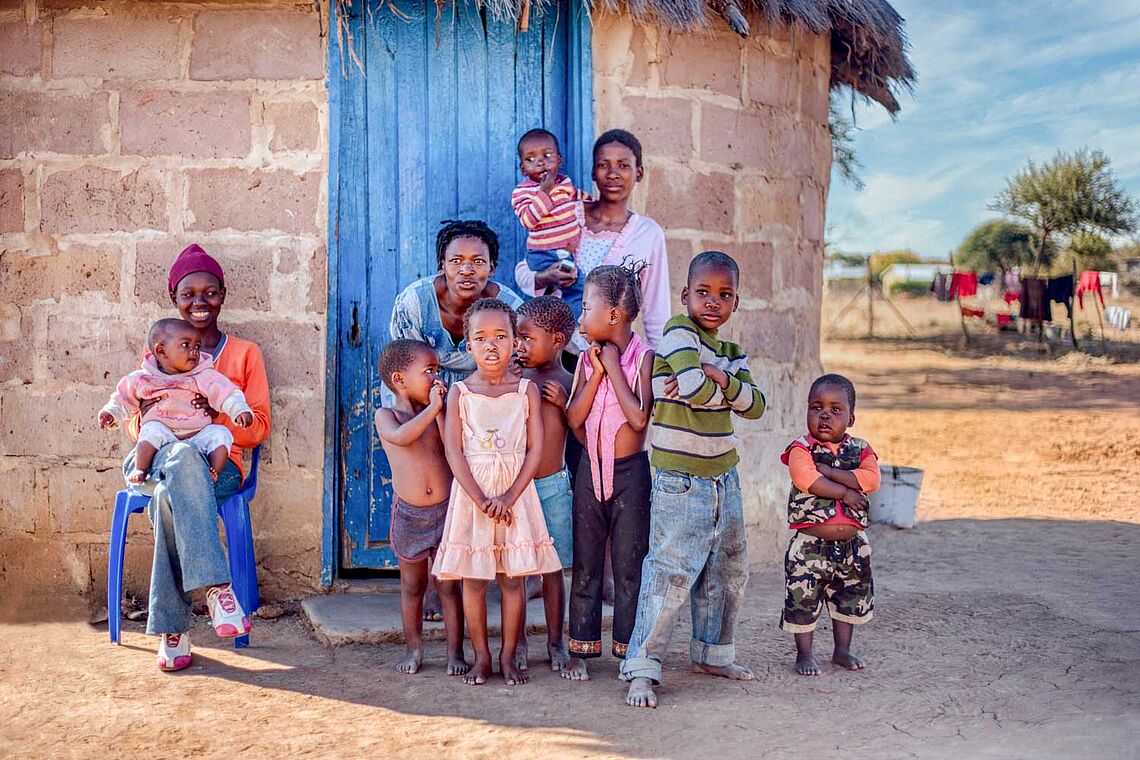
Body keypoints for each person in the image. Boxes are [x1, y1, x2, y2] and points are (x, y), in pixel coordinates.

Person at [621, 251, 766, 708]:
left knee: (727, 571)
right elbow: (692, 389)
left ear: (736, 302)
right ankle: (642, 669)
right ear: (685, 295)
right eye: (702, 292)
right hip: (680, 478)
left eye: (724, 295)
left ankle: (712, 653)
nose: (712, 302)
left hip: (725, 476)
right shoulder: (678, 332)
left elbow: (757, 406)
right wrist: (723, 387)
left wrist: (718, 377)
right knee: (670, 573)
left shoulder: (731, 352)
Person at [120, 243, 271, 671]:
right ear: (174, 299)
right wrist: (159, 418)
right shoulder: (157, 354)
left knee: (174, 494)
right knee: (179, 460)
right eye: (188, 294)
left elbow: (258, 425)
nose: (199, 302)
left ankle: (174, 630)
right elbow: (135, 423)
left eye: (210, 293)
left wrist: (214, 414)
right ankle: (218, 592)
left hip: (218, 464)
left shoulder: (245, 354)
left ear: (223, 295)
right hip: (153, 462)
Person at [389, 219, 524, 620]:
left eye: (478, 261)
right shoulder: (414, 302)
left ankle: (477, 575)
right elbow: (400, 365)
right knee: (434, 489)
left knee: (471, 486)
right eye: (457, 261)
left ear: (493, 267)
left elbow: (520, 363)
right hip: (424, 405)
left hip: (480, 407)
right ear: (441, 265)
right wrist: (413, 420)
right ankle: (435, 580)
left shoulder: (508, 308)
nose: (467, 270)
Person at [431, 298, 562, 686]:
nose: (492, 346)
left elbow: (534, 449)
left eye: (501, 336)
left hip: (515, 496)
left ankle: (508, 657)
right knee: (473, 579)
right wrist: (480, 499)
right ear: (467, 345)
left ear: (514, 342)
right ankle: (481, 658)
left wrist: (508, 497)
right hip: (473, 498)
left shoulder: (525, 390)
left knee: (512, 579)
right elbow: (453, 451)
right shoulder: (460, 394)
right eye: (481, 338)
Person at [563, 264, 655, 681]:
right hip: (588, 471)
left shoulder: (644, 359)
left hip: (629, 476)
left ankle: (629, 650)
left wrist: (614, 368)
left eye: (586, 308)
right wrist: (597, 370)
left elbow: (638, 419)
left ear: (614, 316)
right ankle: (581, 650)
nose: (580, 319)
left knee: (628, 565)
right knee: (585, 563)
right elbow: (574, 419)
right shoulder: (586, 360)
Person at [514, 129, 670, 350]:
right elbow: (523, 270)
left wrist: (660, 368)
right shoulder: (567, 211)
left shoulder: (648, 234)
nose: (613, 173)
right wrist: (545, 277)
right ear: (593, 173)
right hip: (556, 349)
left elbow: (657, 311)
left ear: (639, 172)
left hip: (610, 356)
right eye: (603, 165)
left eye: (623, 165)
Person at [374, 339, 467, 677]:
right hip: (410, 516)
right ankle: (414, 649)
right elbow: (402, 437)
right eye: (429, 371)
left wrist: (440, 412)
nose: (435, 377)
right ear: (399, 379)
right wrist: (431, 410)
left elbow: (449, 445)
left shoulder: (437, 413)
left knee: (448, 586)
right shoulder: (386, 416)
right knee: (413, 586)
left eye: (436, 371)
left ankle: (455, 653)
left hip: (445, 512)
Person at [779, 373, 880, 676]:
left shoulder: (861, 449)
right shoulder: (801, 448)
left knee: (850, 595)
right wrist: (847, 492)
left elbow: (872, 479)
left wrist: (832, 473)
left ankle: (842, 650)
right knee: (803, 597)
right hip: (810, 545)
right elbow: (806, 478)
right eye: (816, 407)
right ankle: (804, 654)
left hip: (853, 546)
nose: (825, 415)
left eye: (836, 410)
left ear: (851, 418)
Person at [100, 318, 253, 484]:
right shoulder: (143, 379)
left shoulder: (204, 375)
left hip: (198, 437)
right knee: (150, 430)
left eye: (197, 346)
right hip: (163, 442)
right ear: (161, 351)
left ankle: (213, 472)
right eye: (186, 345)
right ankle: (141, 470)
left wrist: (239, 410)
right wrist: (111, 413)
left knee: (221, 434)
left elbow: (227, 392)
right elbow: (122, 399)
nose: (194, 351)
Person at [513, 296, 577, 672]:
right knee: (519, 571)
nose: (518, 346)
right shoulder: (515, 380)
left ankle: (556, 642)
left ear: (556, 341)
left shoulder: (567, 382)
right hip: (518, 489)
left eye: (526, 338)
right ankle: (517, 641)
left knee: (553, 570)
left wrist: (567, 404)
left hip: (553, 486)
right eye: (517, 338)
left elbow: (584, 431)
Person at [512, 129, 589, 319]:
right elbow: (528, 220)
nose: (540, 162)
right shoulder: (523, 192)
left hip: (566, 252)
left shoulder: (564, 183)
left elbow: (579, 198)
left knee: (569, 290)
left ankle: (567, 326)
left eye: (547, 156)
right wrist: (544, 193)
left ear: (559, 161)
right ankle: (571, 325)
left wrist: (597, 205)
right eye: (531, 159)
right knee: (579, 286)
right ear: (523, 169)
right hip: (543, 254)